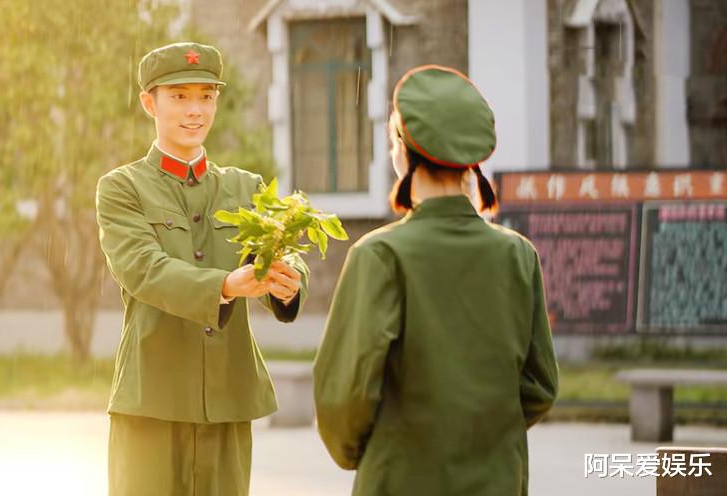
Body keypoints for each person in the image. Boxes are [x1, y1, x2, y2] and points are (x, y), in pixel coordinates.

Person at [312, 65, 559, 495]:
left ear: (402, 153)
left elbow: (344, 398)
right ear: (472, 163)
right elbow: (540, 386)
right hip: (497, 479)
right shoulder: (518, 255)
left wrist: (368, 451)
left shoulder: (379, 255)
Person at [95, 42, 309, 496]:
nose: (195, 110)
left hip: (229, 401)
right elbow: (144, 270)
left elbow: (279, 253)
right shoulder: (121, 188)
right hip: (151, 398)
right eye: (179, 96)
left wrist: (287, 283)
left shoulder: (246, 187)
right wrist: (225, 286)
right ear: (148, 102)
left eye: (206, 96)